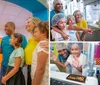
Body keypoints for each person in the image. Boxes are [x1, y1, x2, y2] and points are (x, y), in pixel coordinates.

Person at [25, 17, 48, 85]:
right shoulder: (31, 38)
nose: (26, 24)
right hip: (30, 66)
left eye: (28, 22)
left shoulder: (42, 40)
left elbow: (40, 69)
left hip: (37, 68)